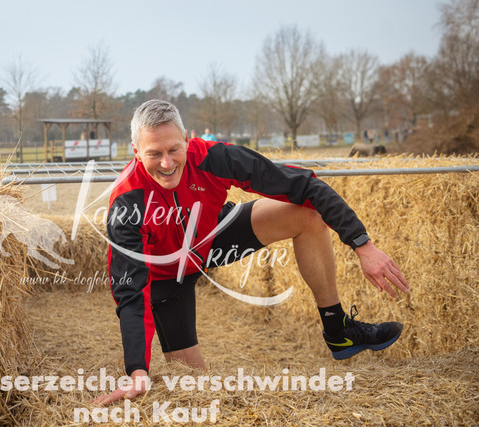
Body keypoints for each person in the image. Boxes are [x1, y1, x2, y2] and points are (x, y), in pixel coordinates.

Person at [96, 100, 409, 405]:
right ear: (136, 152)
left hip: (211, 237)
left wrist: (362, 244)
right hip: (165, 278)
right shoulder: (126, 201)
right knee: (197, 389)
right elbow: (130, 291)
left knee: (306, 215)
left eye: (173, 149)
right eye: (154, 154)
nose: (167, 163)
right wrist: (137, 370)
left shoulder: (213, 157)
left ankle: (337, 329)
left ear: (187, 140)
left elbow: (303, 185)